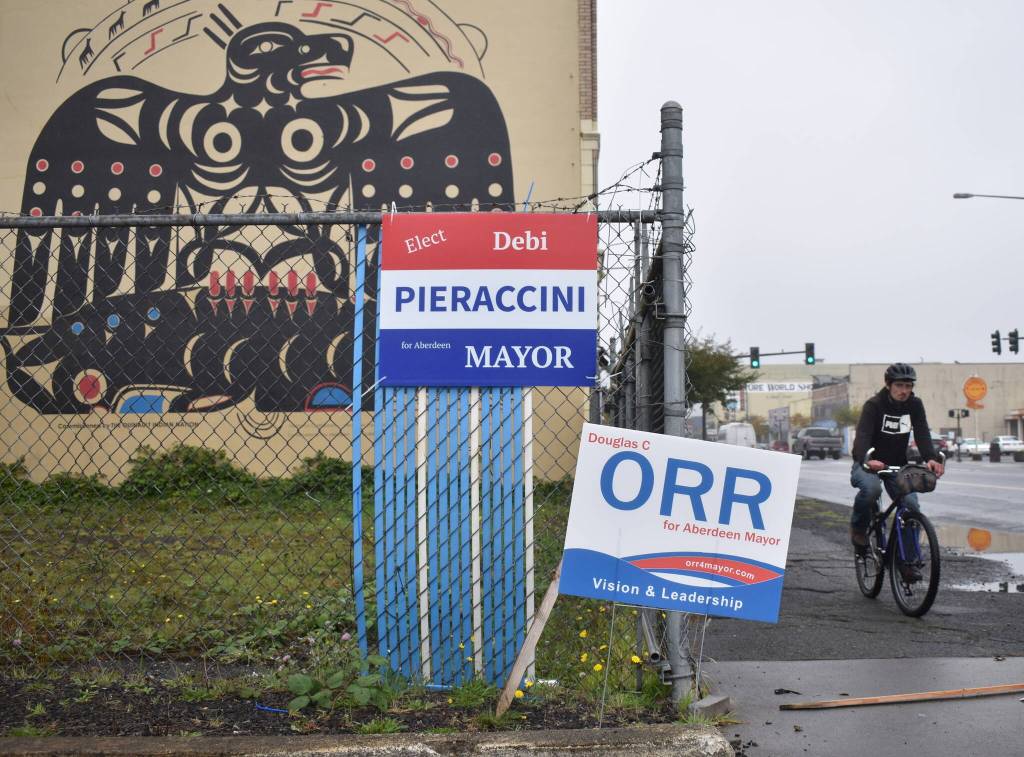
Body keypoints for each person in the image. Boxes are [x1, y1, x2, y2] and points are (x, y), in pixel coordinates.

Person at [849, 363, 944, 578]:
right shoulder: (874, 405)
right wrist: (867, 459)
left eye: (908, 386)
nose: (904, 391)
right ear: (888, 385)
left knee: (911, 506)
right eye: (899, 385)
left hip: (896, 465)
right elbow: (862, 436)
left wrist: (931, 458)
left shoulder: (914, 405)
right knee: (871, 490)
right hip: (868, 462)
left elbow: (922, 434)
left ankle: (907, 562)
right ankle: (858, 529)